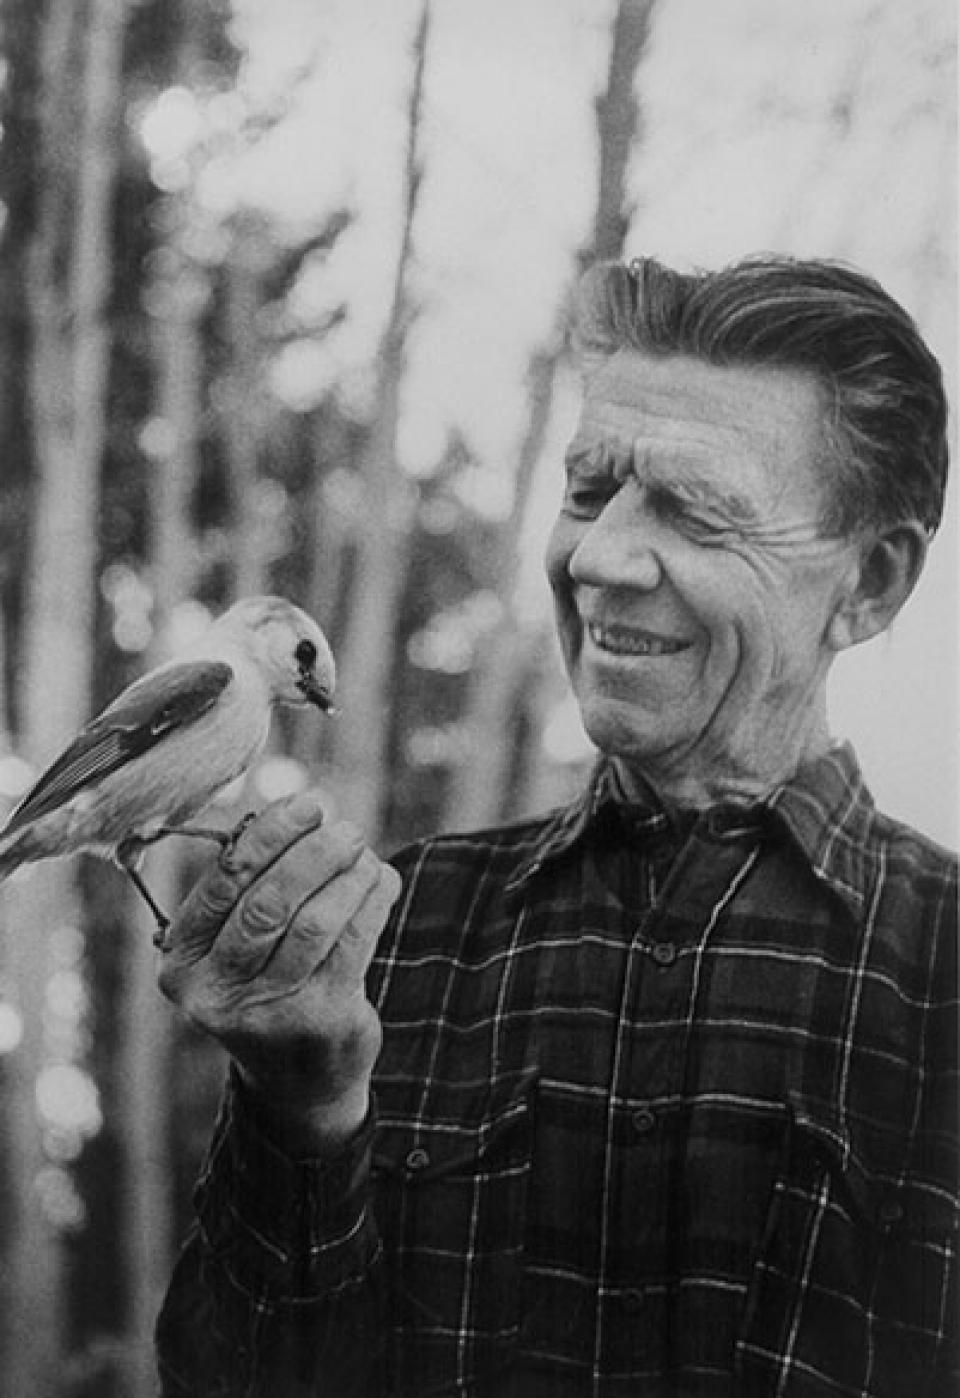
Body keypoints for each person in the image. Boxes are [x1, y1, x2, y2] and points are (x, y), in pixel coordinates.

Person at [154, 255, 957, 1398]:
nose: (598, 557)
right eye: (589, 492)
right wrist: (306, 1109)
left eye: (692, 509)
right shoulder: (384, 936)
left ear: (871, 584)